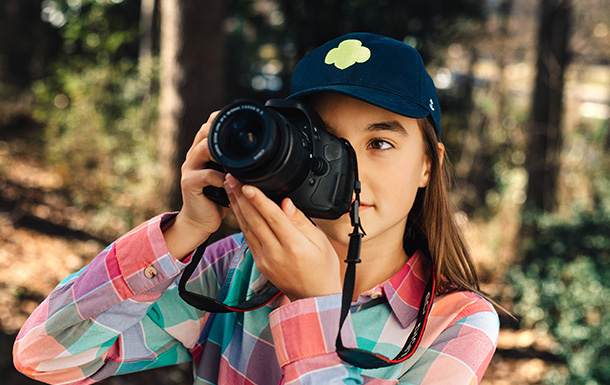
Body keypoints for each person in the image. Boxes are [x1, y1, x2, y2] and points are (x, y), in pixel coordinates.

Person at [13, 33, 499, 384]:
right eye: (328, 143)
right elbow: (46, 356)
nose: (349, 171)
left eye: (380, 143)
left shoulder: (454, 323)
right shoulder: (237, 272)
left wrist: (314, 305)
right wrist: (183, 232)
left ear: (427, 167)